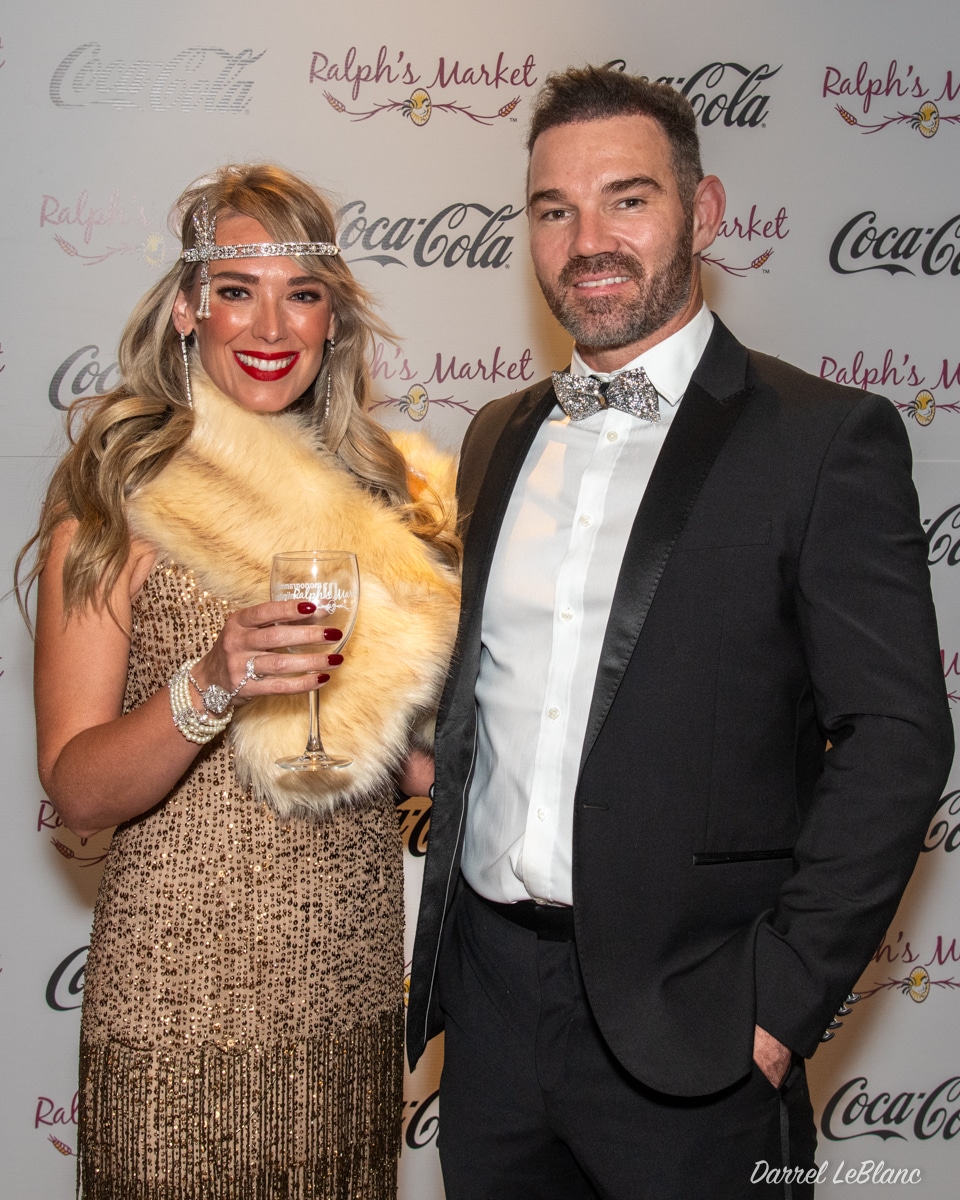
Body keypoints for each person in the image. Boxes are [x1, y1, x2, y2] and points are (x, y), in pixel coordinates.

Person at [407, 66, 954, 1199]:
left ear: (703, 213)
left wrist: (779, 1003)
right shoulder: (496, 437)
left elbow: (898, 738)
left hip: (698, 1027)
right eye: (554, 209)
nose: (588, 242)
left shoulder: (822, 439)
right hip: (492, 1015)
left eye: (628, 199)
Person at [18, 163, 459, 1199]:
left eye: (302, 293)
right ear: (187, 306)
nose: (270, 325)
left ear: (332, 319)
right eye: (236, 289)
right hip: (176, 1006)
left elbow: (396, 758)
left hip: (346, 988)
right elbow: (77, 788)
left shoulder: (385, 494)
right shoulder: (119, 491)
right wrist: (212, 682)